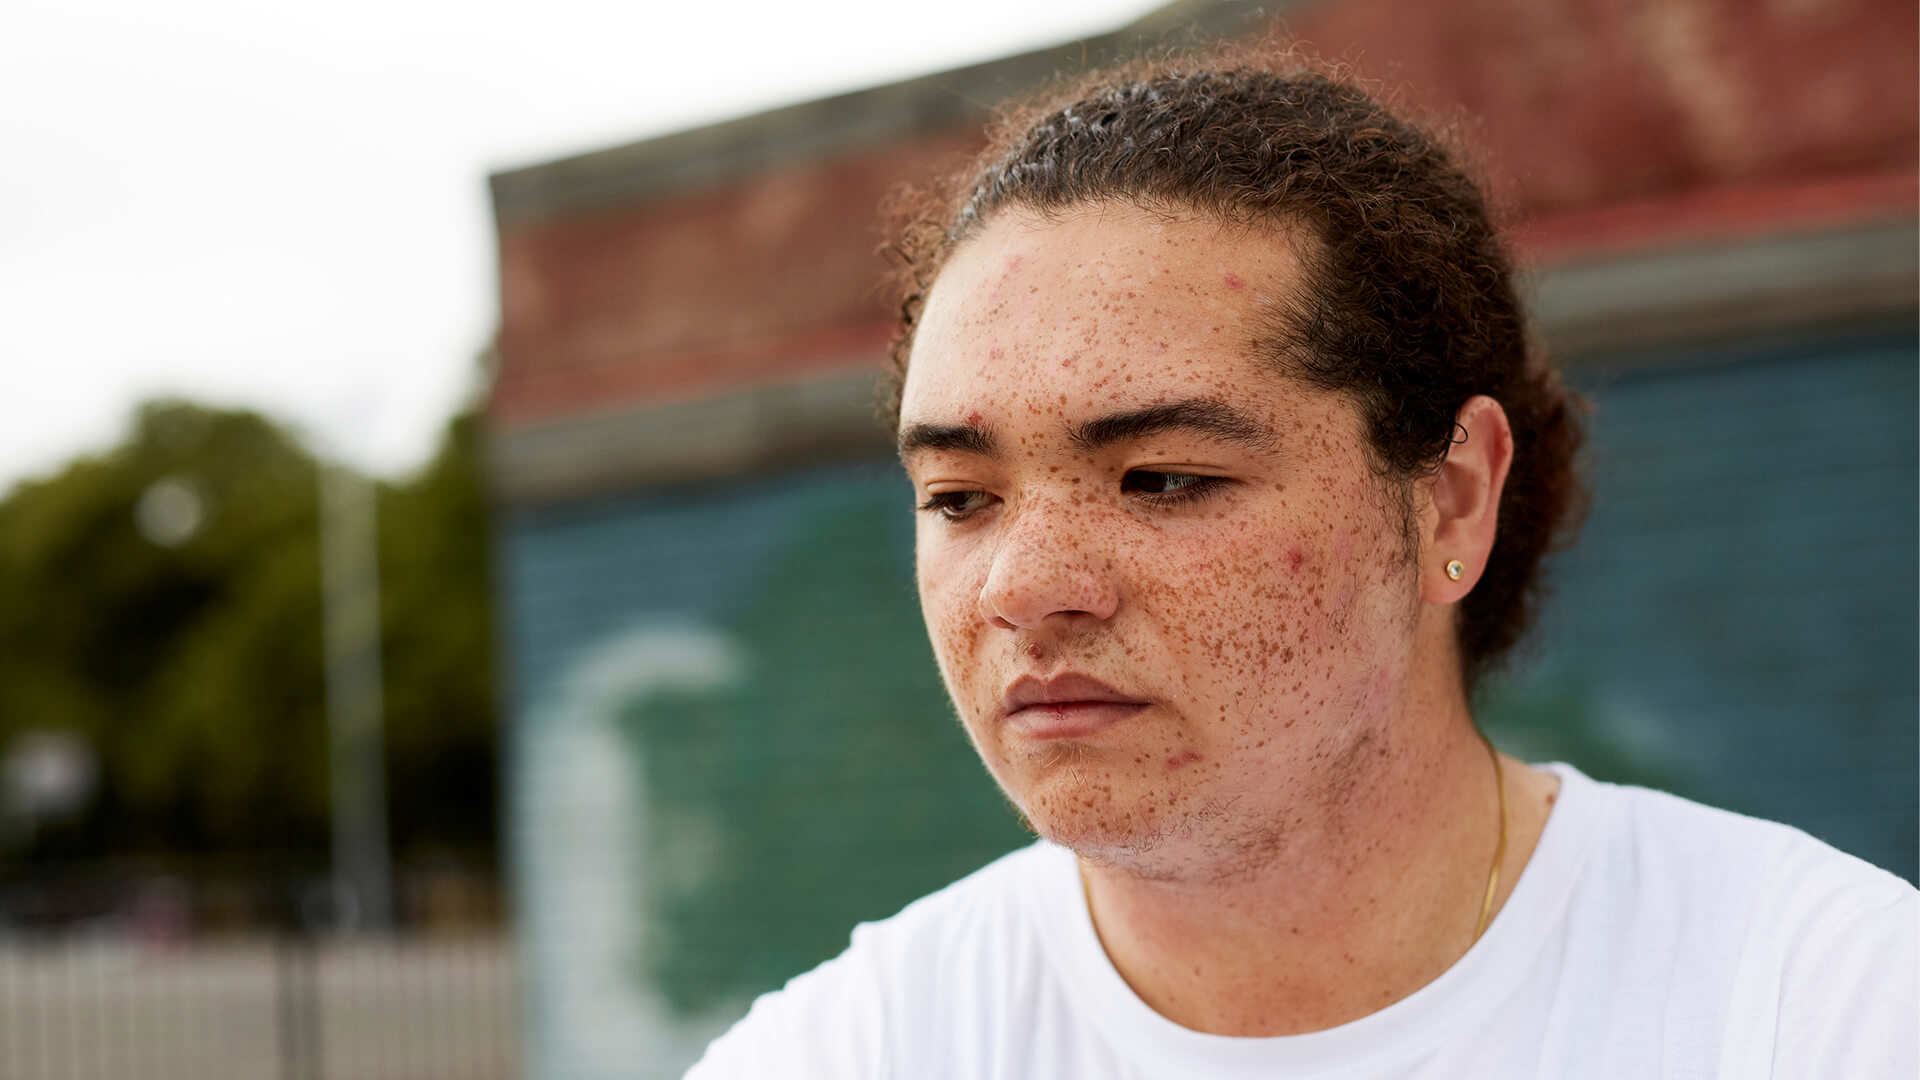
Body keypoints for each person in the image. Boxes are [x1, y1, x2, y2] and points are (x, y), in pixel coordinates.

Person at [686, 50, 1917, 1079]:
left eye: (1163, 478)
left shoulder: (1821, 1011)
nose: (1021, 585)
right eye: (959, 498)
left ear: (1450, 496)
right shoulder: (854, 1050)